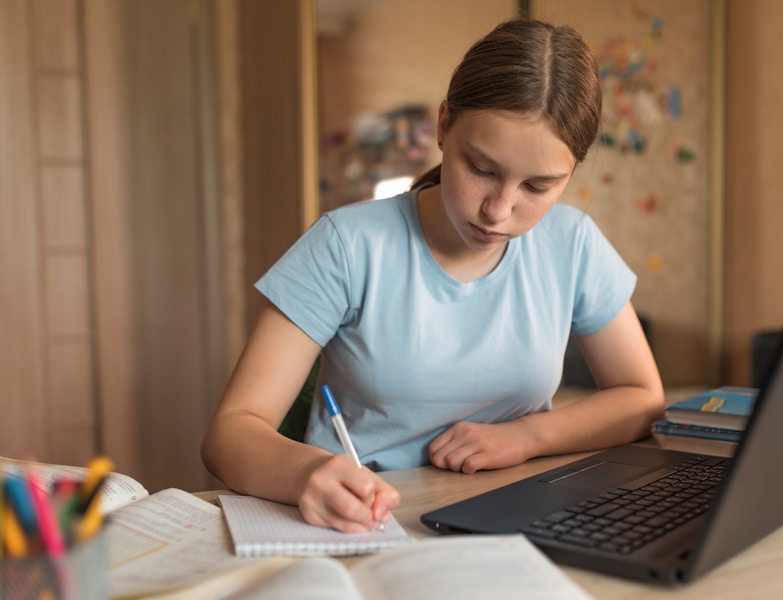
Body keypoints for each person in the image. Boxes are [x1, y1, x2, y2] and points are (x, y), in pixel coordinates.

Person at [201, 18, 664, 534]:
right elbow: (230, 432)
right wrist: (307, 472)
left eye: (538, 186)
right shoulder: (346, 244)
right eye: (482, 169)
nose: (499, 210)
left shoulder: (573, 243)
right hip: (366, 522)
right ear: (444, 126)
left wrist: (528, 437)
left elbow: (641, 396)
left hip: (513, 519)